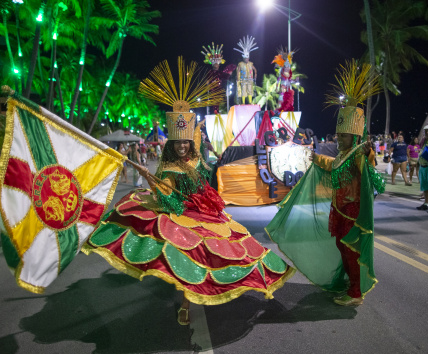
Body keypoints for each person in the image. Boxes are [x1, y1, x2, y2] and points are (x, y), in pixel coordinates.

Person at [83, 57, 295, 326]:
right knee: (188, 254)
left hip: (206, 213)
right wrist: (155, 185)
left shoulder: (200, 160)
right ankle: (186, 303)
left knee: (235, 247)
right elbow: (167, 198)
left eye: (186, 142)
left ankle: (248, 280)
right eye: (178, 142)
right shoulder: (169, 167)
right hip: (181, 215)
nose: (183, 146)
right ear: (172, 143)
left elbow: (208, 185)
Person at [266, 60, 384, 306]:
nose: (339, 139)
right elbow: (333, 165)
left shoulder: (358, 154)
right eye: (339, 134)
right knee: (343, 249)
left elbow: (370, 172)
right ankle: (350, 285)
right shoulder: (343, 155)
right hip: (338, 209)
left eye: (343, 135)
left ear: (354, 136)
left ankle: (355, 294)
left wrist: (368, 153)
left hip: (352, 212)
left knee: (351, 251)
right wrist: (315, 157)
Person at [201, 42, 236, 114]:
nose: (217, 66)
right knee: (214, 100)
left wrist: (229, 74)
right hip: (213, 88)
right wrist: (207, 83)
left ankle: (218, 111)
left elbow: (225, 76)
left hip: (219, 88)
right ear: (213, 65)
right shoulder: (210, 72)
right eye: (215, 64)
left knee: (220, 100)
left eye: (217, 64)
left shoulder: (220, 72)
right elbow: (207, 78)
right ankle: (215, 111)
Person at [234, 35, 258, 105]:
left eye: (247, 58)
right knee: (243, 90)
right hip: (243, 79)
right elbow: (238, 70)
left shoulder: (251, 63)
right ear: (243, 58)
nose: (246, 59)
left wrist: (255, 74)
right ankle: (243, 102)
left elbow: (254, 69)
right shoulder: (240, 64)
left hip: (250, 79)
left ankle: (250, 102)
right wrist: (238, 77)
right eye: (245, 58)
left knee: (250, 90)